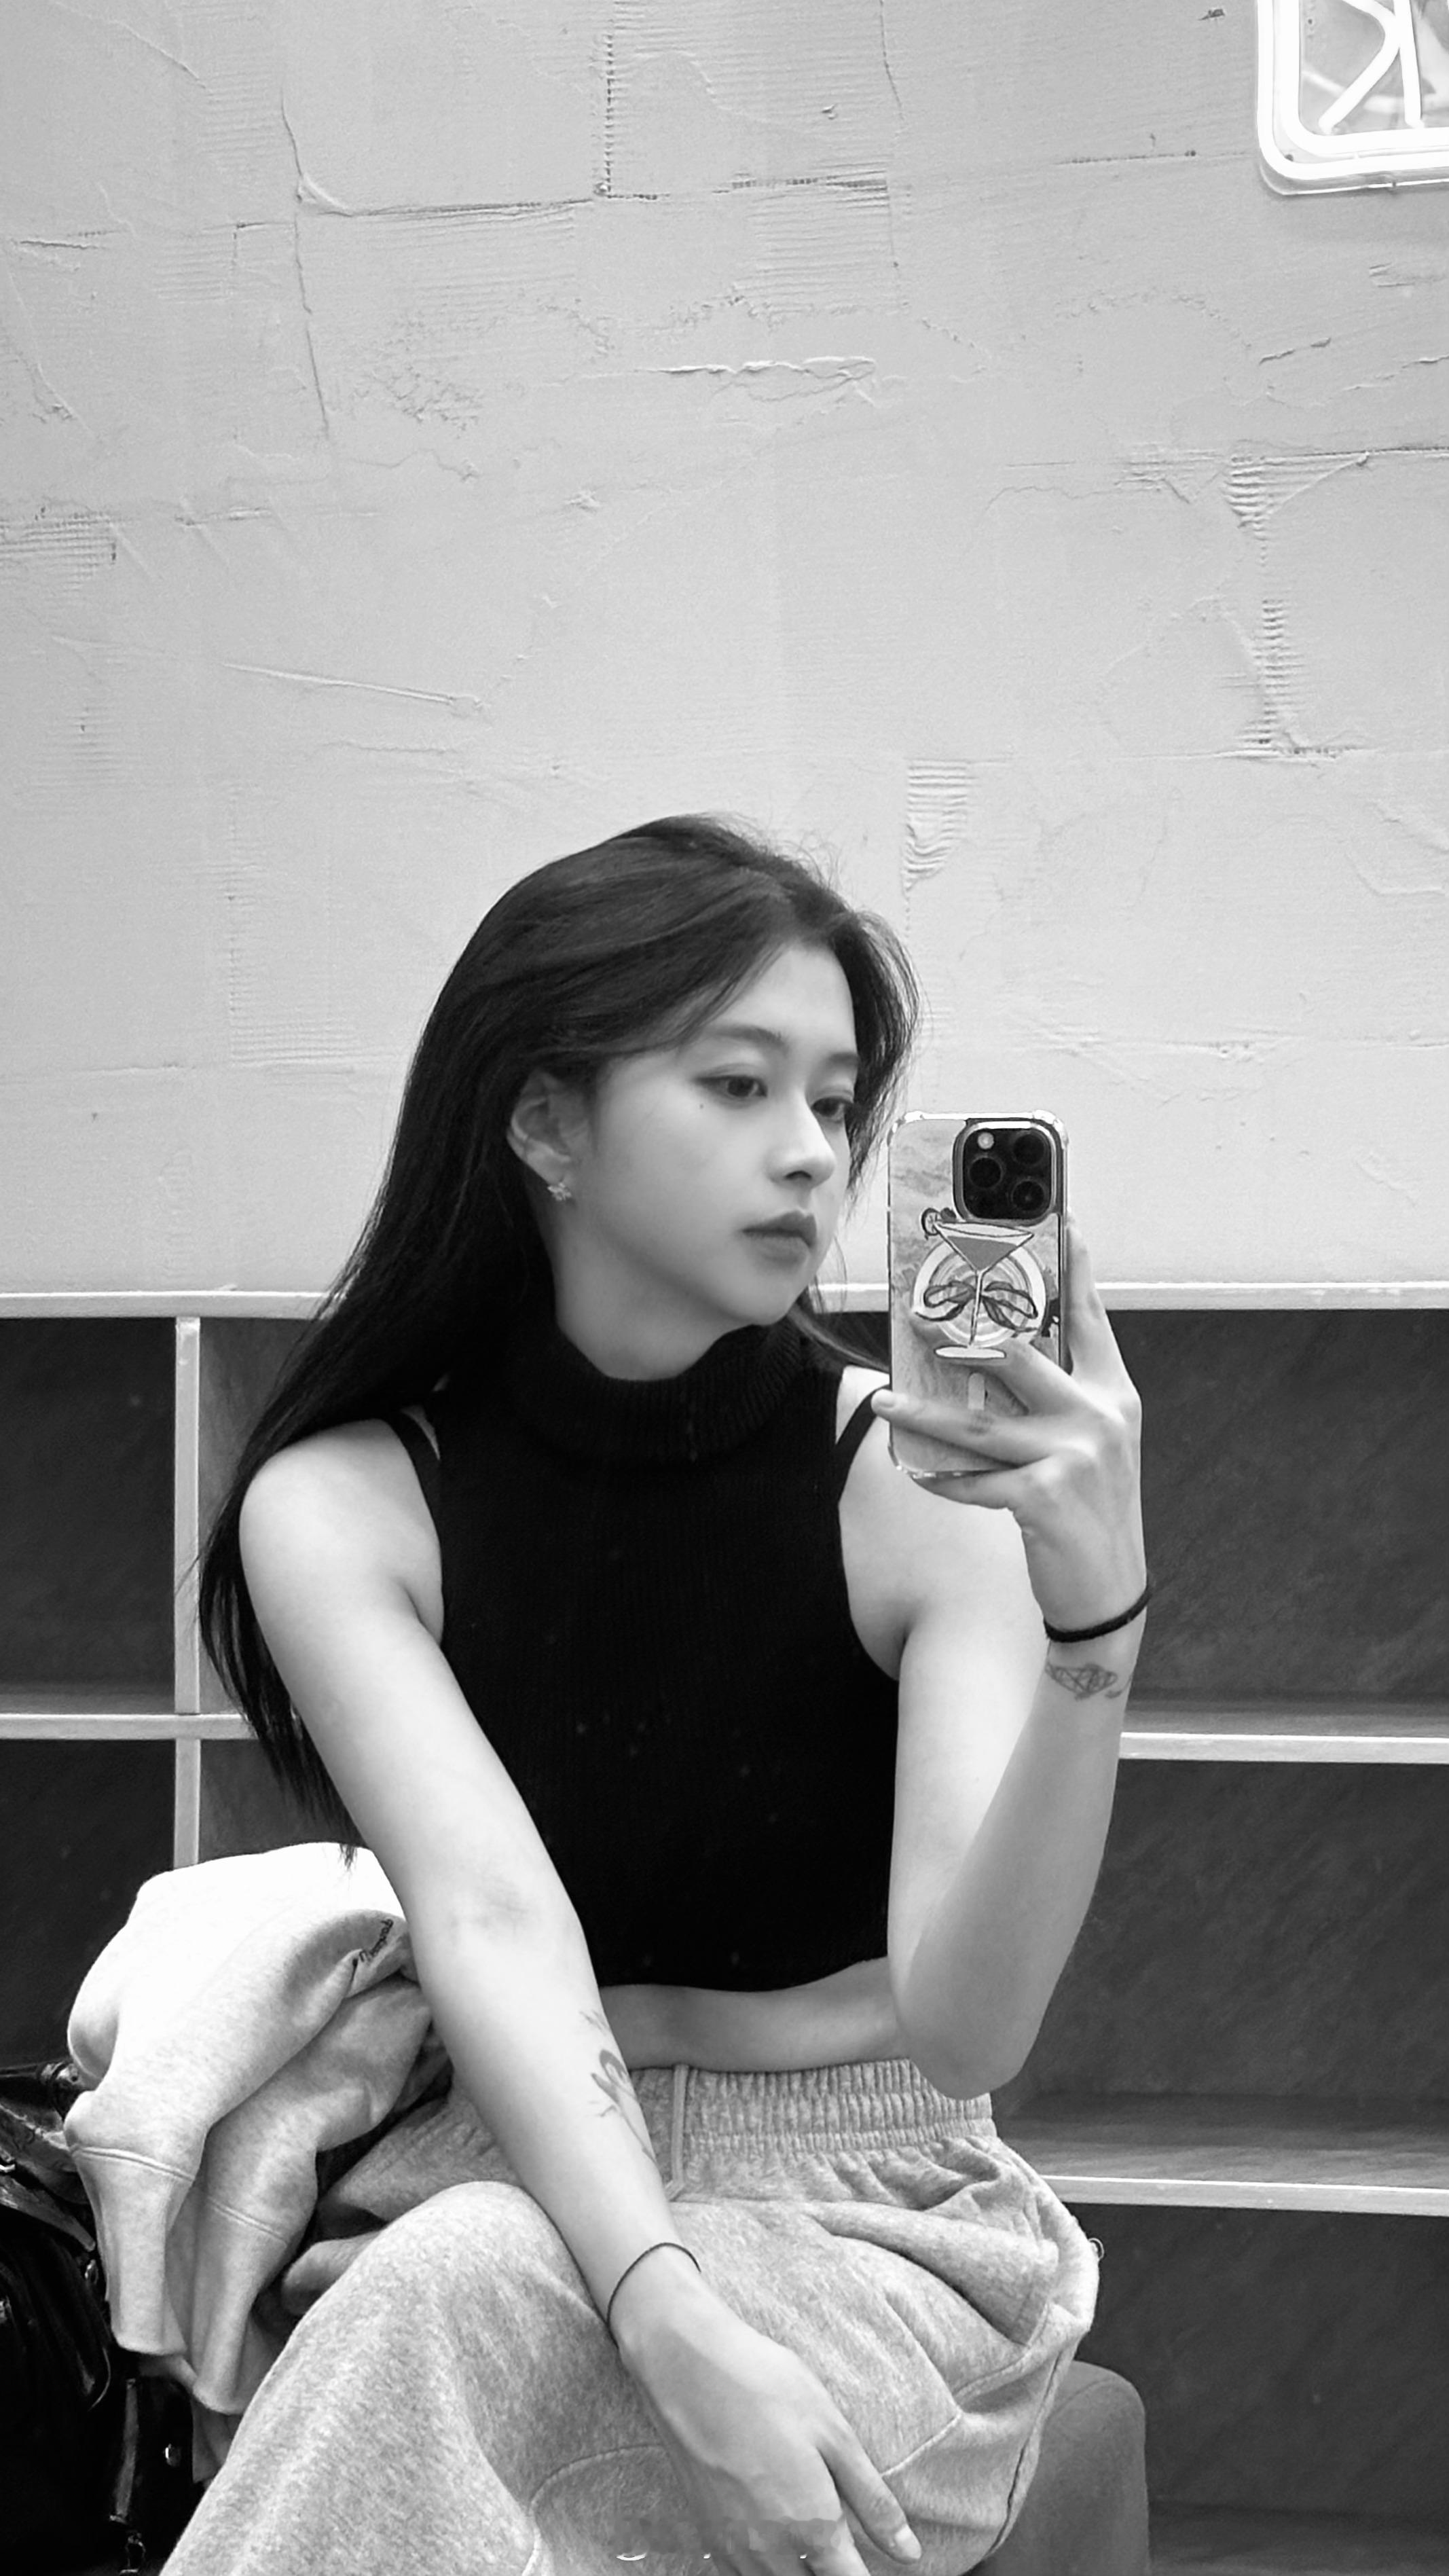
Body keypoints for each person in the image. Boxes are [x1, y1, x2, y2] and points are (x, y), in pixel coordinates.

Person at [183, 814, 1147, 2576]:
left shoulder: (916, 1488)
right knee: (460, 2281)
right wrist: (663, 2302)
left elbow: (971, 2028)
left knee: (452, 2313)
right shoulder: (343, 1505)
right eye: (737, 1085)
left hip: (873, 2216)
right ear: (544, 1123)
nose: (811, 1153)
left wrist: (1100, 1631)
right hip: (508, 2166)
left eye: (837, 1102)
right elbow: (489, 1921)